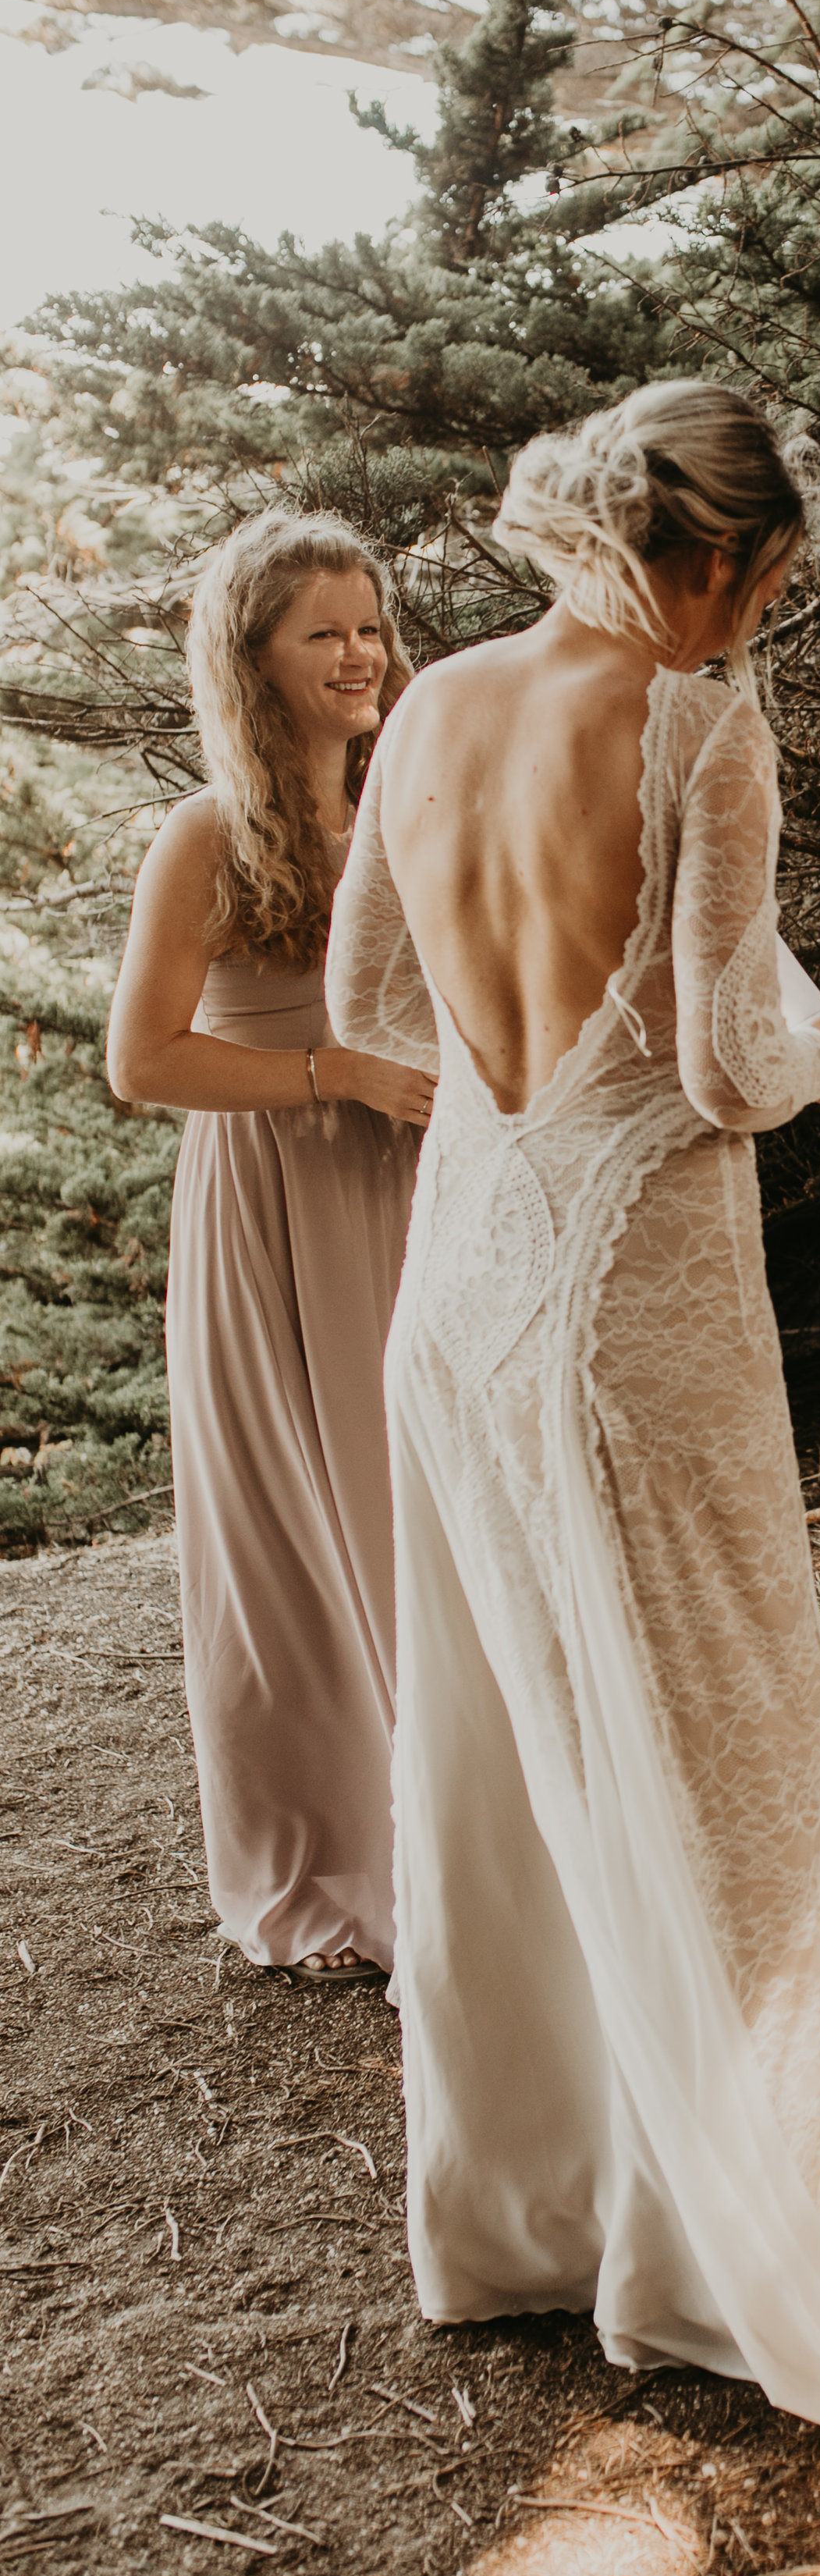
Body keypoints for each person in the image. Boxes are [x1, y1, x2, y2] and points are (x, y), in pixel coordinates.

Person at [325, 378, 820, 2447]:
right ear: (725, 557)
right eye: (767, 583)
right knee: (746, 1786)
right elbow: (720, 1047)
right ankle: (714, 2259)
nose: (759, 624)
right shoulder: (695, 723)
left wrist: (534, 1087)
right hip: (624, 1319)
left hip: (461, 1291)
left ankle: (526, 2218)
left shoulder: (437, 705)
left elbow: (371, 1012)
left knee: (505, 1776)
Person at [107, 512, 434, 1989]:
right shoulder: (207, 836)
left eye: (371, 625)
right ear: (255, 658)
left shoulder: (405, 799)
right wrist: (334, 1078)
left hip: (410, 1182)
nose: (362, 654)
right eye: (326, 631)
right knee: (290, 1529)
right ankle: (327, 1856)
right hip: (268, 1197)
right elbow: (140, 1059)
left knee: (410, 1504)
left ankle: (448, 1831)